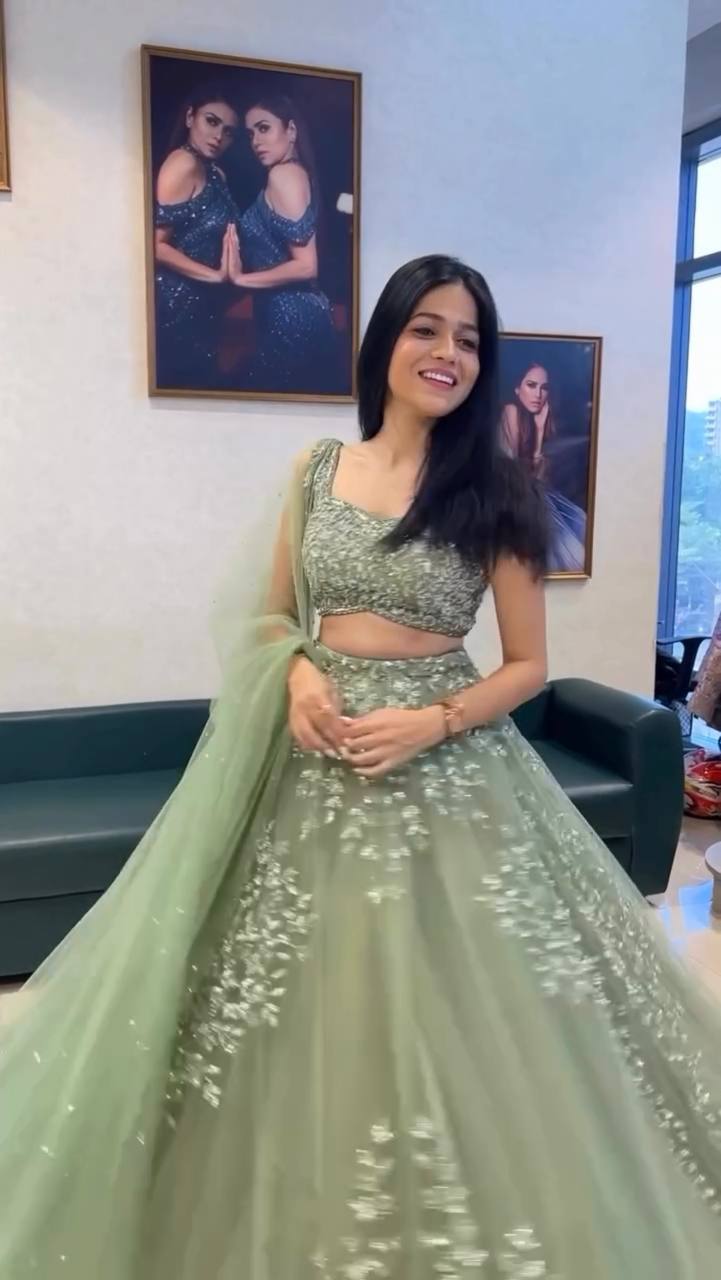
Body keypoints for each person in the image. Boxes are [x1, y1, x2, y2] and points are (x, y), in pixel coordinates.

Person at [2, 256, 721, 1276]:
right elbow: (268, 613)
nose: (447, 353)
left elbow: (526, 665)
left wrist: (433, 721)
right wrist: (295, 669)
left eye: (468, 339)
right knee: (274, 996)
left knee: (480, 1004)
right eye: (426, 328)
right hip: (312, 757)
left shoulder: (497, 490)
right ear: (384, 342)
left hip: (448, 761)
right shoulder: (316, 470)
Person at [224, 93, 344, 395]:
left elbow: (306, 266)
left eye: (264, 128)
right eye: (250, 134)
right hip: (288, 314)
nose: (256, 141)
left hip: (292, 317)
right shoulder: (294, 173)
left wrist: (241, 278)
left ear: (290, 130)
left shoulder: (284, 175)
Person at [153, 86, 242, 389]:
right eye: (211, 121)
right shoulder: (182, 164)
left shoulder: (216, 173)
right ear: (190, 117)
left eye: (228, 132)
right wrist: (215, 276)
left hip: (204, 307)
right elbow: (155, 245)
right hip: (174, 304)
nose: (218, 136)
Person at [501, 360, 587, 572]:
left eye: (544, 388)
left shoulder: (537, 421)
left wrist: (539, 431)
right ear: (517, 389)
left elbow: (538, 480)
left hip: (527, 495)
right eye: (531, 385)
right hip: (506, 498)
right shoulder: (510, 411)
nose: (538, 394)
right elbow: (517, 476)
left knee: (578, 524)